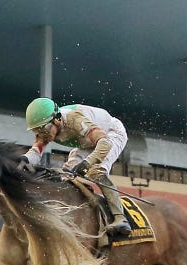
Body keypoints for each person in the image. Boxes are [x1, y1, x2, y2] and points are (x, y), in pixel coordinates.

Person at [23, 97, 132, 237]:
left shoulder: (75, 121)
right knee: (66, 175)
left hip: (110, 134)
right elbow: (35, 152)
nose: (41, 134)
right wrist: (23, 160)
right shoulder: (47, 127)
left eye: (43, 129)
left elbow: (105, 143)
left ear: (57, 119)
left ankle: (121, 218)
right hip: (86, 141)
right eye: (36, 130)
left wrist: (87, 163)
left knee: (96, 171)